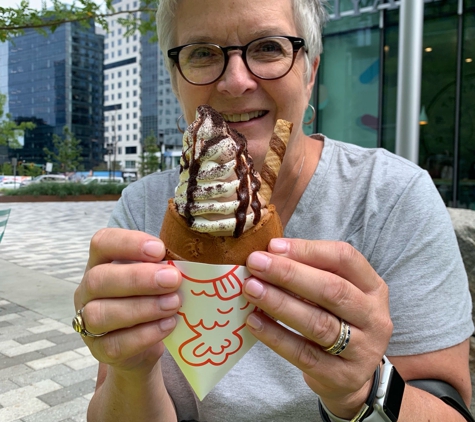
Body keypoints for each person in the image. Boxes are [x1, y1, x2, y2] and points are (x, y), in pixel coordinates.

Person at [73, 0, 474, 420]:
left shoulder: (391, 197)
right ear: (176, 79)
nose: (235, 81)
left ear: (310, 71)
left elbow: (448, 406)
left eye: (267, 47)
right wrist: (129, 368)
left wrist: (362, 390)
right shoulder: (144, 211)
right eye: (203, 53)